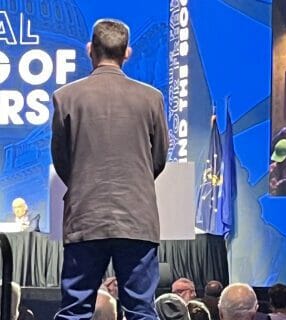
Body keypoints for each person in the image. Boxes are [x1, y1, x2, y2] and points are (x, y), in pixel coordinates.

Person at [51, 19, 169, 319]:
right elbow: (158, 159)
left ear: (90, 49)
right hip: (137, 217)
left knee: (75, 311)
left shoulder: (65, 97)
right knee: (141, 311)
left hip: (85, 217)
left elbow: (62, 160)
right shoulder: (152, 98)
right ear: (126, 53)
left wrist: (83, 184)